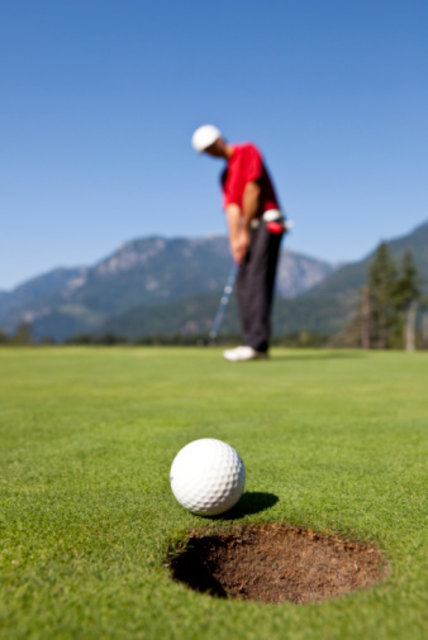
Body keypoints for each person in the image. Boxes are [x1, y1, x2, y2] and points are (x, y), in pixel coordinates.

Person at [192, 124, 287, 362]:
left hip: (266, 223)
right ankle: (250, 342)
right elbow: (232, 208)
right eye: (207, 151)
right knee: (244, 284)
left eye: (211, 147)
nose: (211, 153)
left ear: (220, 139)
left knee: (257, 282)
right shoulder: (224, 175)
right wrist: (234, 239)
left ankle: (257, 345)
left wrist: (245, 230)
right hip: (249, 229)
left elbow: (252, 191)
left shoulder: (247, 151)